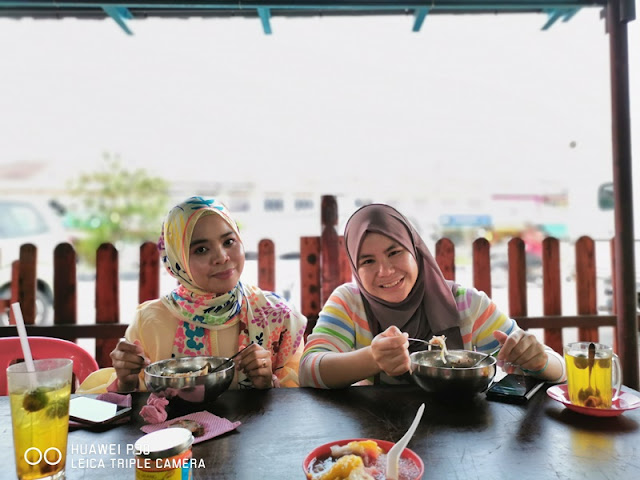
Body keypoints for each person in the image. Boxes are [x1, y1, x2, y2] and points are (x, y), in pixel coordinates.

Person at [298, 204, 565, 389]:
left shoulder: (465, 305)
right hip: (376, 443)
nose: (385, 271)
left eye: (395, 252)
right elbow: (308, 370)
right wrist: (372, 359)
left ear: (416, 251)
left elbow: (559, 370)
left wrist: (539, 360)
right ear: (356, 268)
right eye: (367, 261)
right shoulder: (349, 302)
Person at [79, 196, 307, 393]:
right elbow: (134, 403)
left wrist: (269, 383)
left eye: (228, 241)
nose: (222, 257)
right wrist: (126, 382)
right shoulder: (150, 322)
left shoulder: (278, 317)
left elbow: (304, 398)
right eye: (201, 249)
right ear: (178, 261)